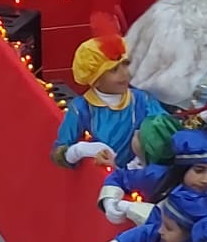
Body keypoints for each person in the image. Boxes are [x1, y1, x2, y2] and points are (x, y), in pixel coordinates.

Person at [52, 15, 164, 168]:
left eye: (125, 64)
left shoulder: (142, 100)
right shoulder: (81, 108)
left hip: (140, 177)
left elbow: (164, 131)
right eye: (114, 70)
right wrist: (81, 150)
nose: (125, 73)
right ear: (95, 79)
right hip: (103, 178)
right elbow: (59, 152)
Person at [97, 125, 207, 227]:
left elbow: (181, 227)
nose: (206, 180)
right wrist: (109, 200)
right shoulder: (157, 175)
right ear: (182, 168)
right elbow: (119, 177)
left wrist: (131, 208)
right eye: (199, 171)